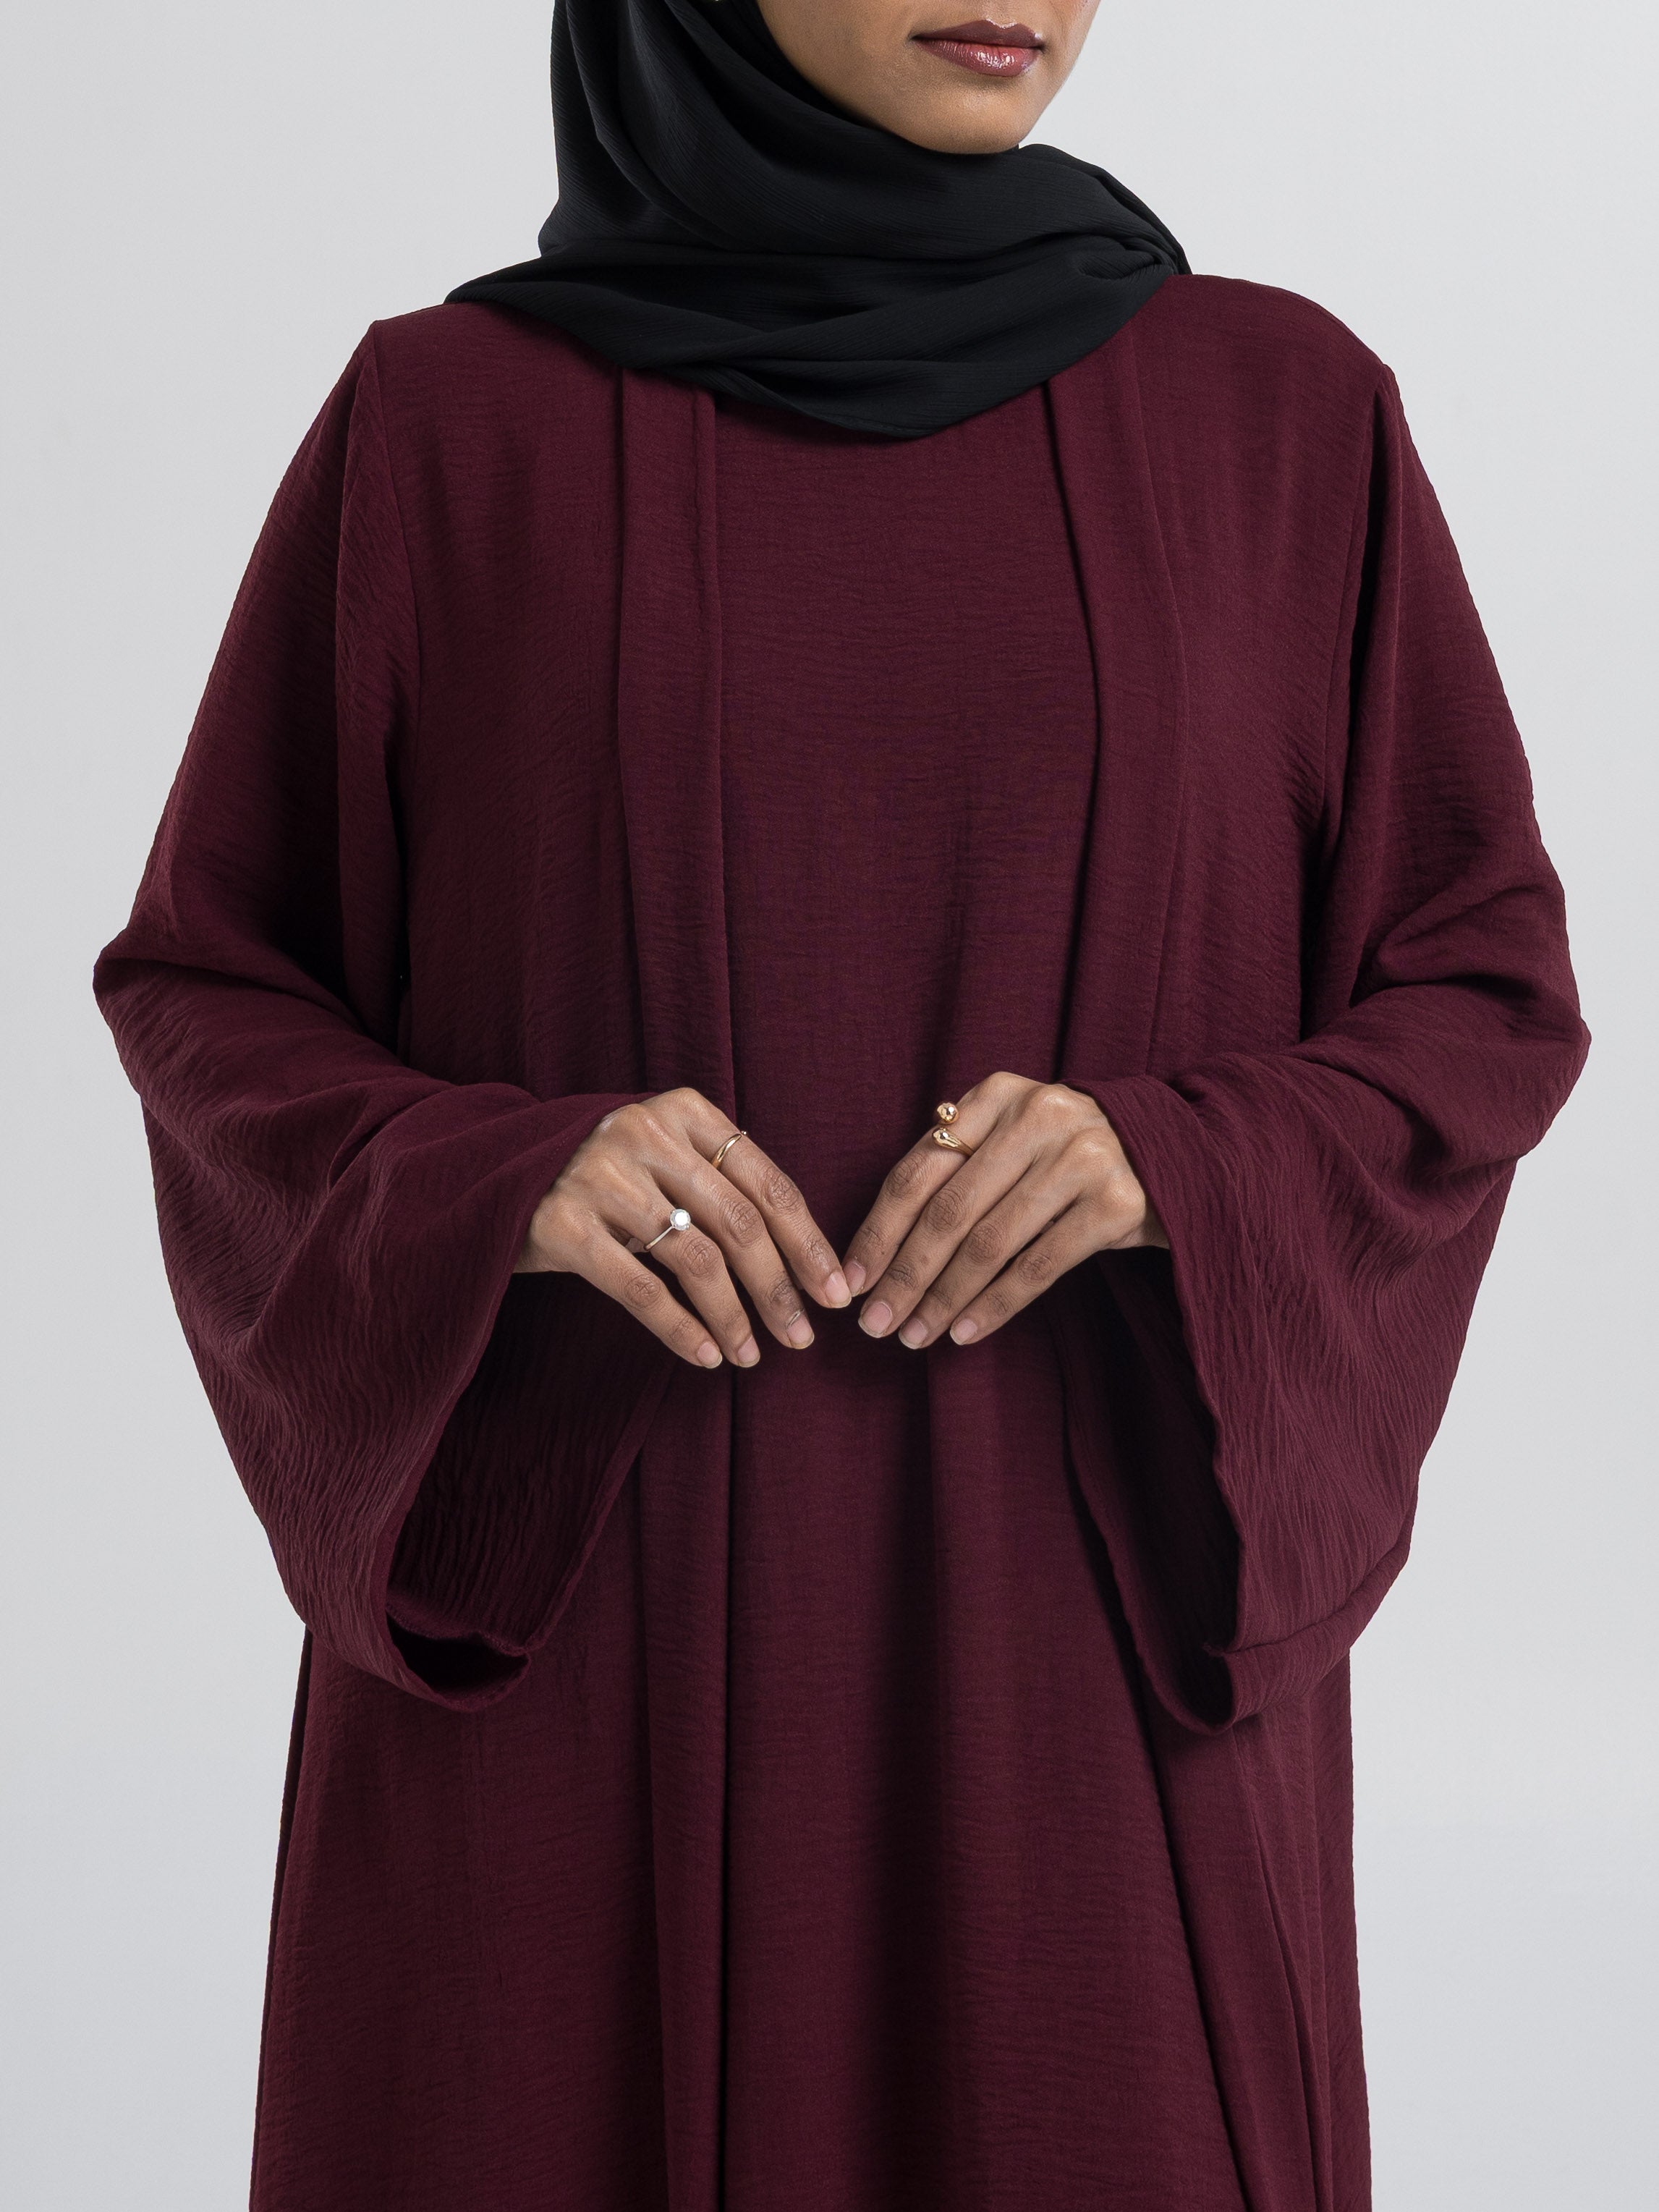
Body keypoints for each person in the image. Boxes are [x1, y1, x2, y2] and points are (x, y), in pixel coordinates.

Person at [93, 4, 1587, 2207]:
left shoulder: (1284, 422)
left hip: (1087, 1684)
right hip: (579, 1685)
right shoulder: (446, 428)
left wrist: (1178, 1158)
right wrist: (501, 1178)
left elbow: (1478, 987)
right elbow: (217, 990)